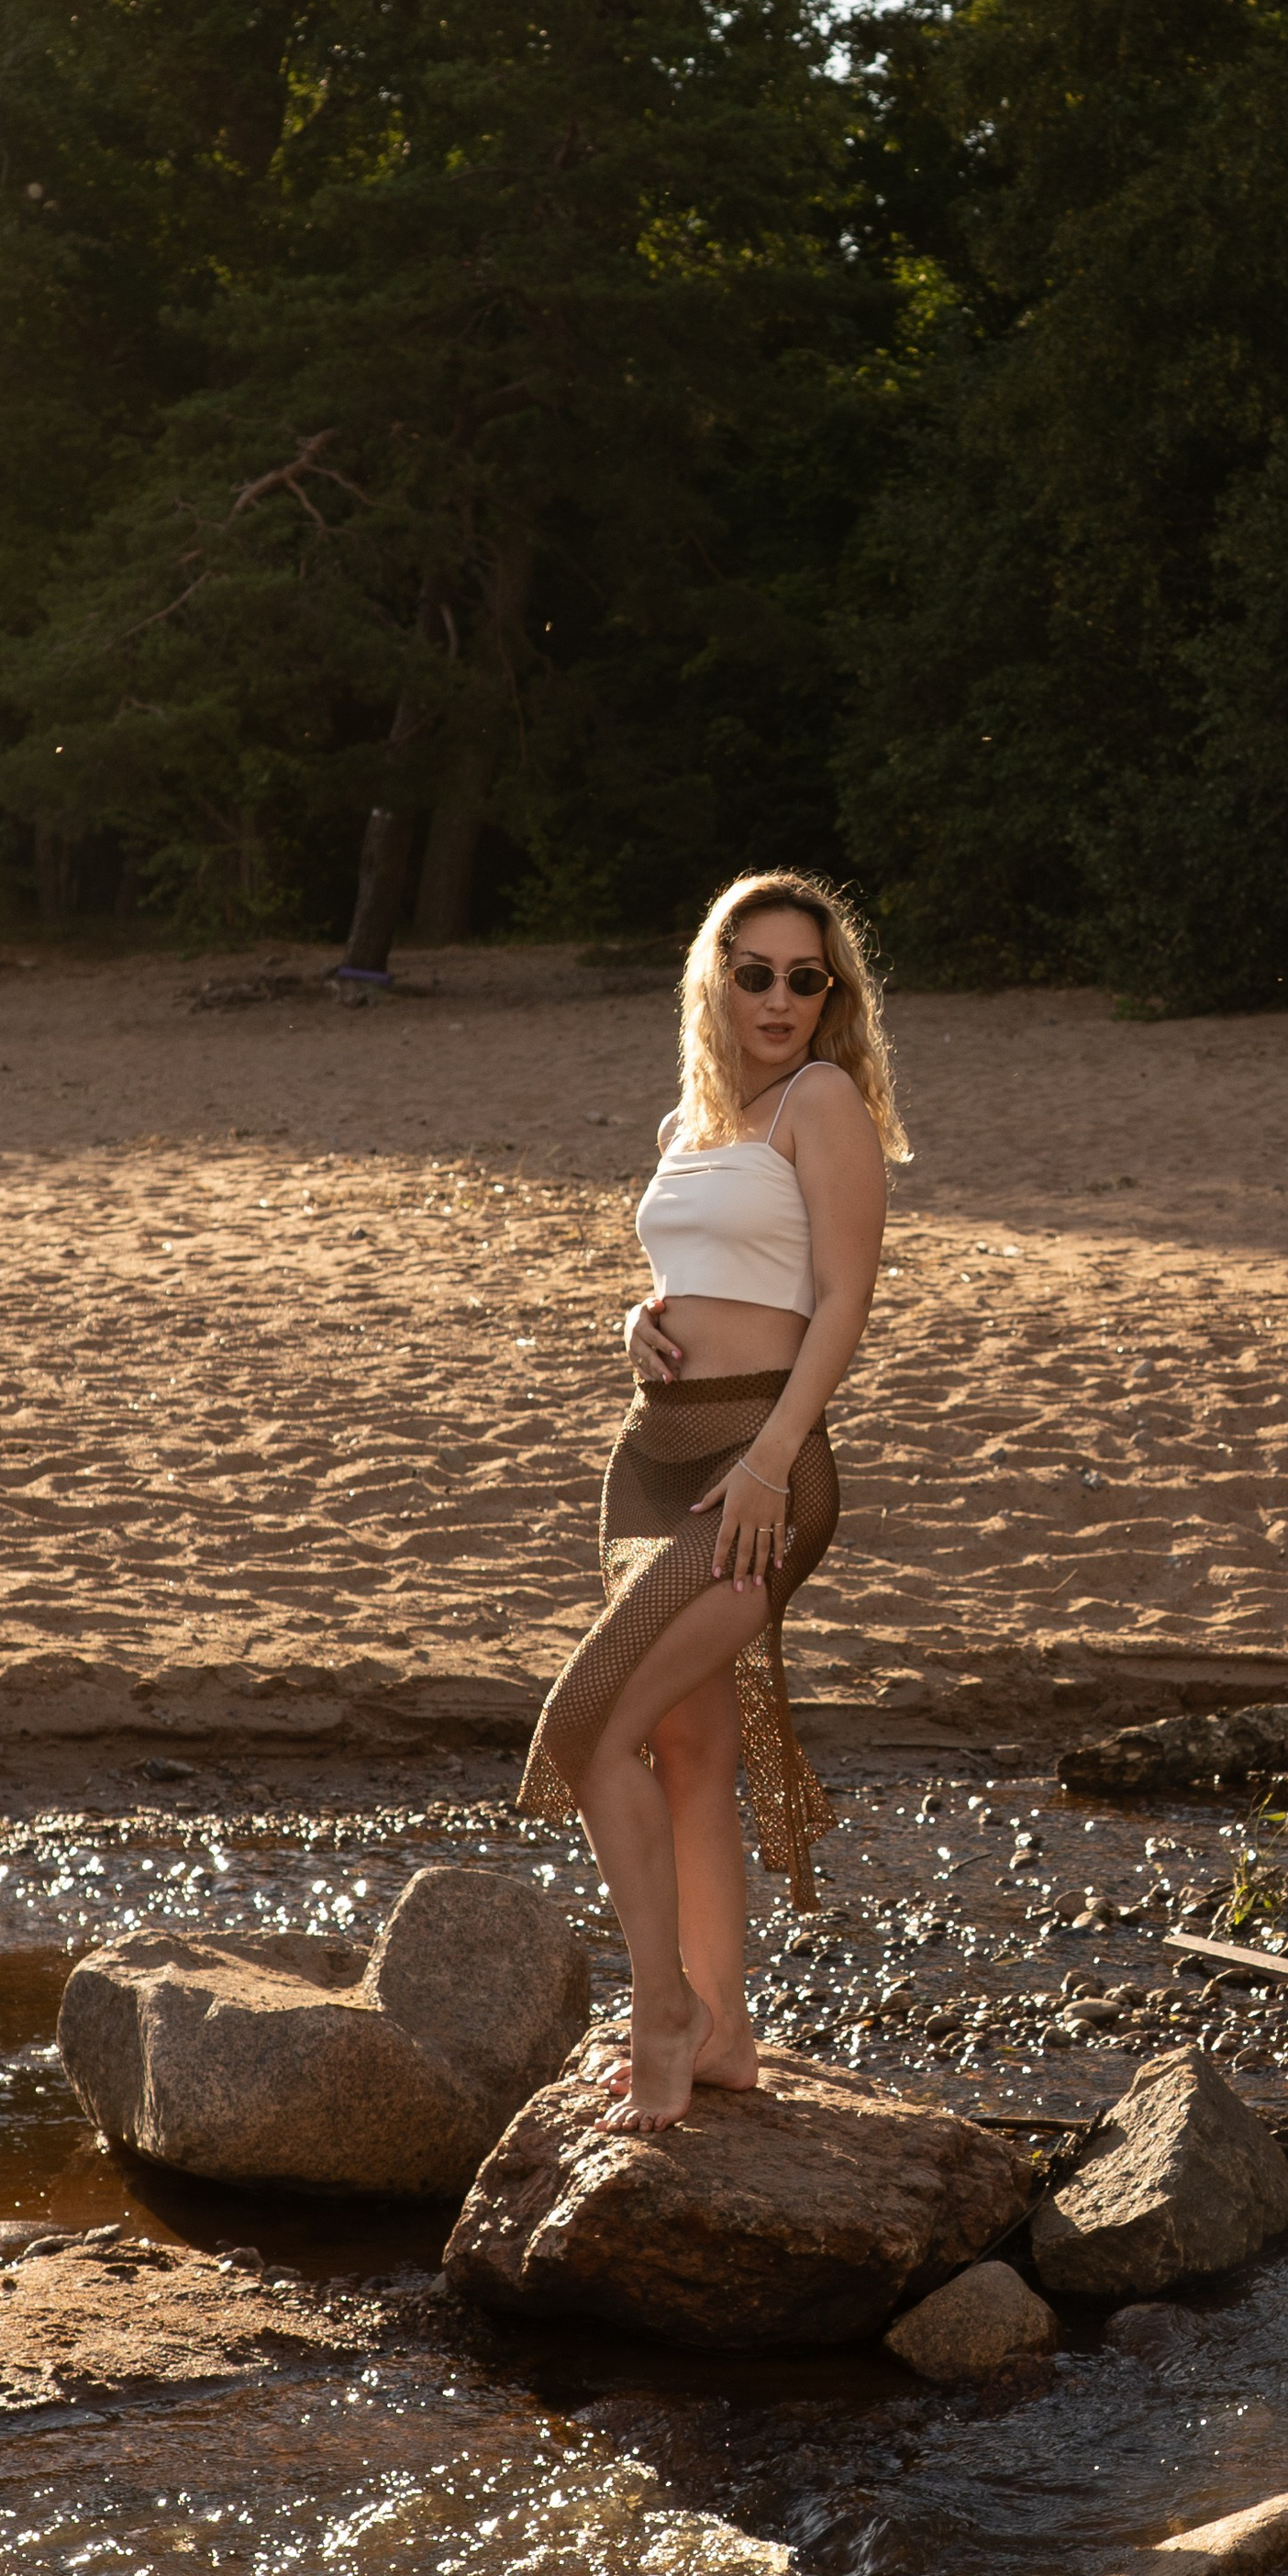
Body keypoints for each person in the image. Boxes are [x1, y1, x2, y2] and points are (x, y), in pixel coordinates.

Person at [518, 873, 905, 2128]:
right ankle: (728, 2030)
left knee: (584, 1733)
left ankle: (663, 2016)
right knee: (684, 1751)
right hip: (650, 1459)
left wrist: (771, 1459)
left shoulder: (823, 1099)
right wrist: (643, 1317)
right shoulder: (703, 1114)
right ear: (716, 978)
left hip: (760, 1464)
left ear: (831, 995)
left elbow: (842, 1298)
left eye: (807, 978)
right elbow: (699, 1262)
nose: (782, 999)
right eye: (757, 974)